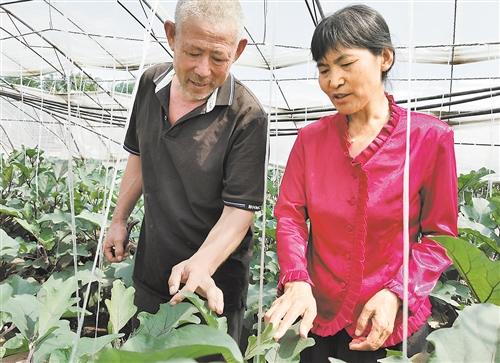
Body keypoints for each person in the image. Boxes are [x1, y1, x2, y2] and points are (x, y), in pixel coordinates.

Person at [264, 4, 458, 363]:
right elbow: (290, 215)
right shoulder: (310, 140)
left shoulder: (430, 139)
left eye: (345, 64)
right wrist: (297, 279)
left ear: (384, 57)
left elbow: (440, 238)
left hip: (388, 321)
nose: (333, 80)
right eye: (324, 69)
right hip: (314, 317)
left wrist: (397, 293)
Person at [103, 0, 268, 346]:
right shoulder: (150, 83)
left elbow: (240, 212)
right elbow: (139, 153)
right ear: (171, 36)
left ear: (237, 51)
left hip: (211, 288)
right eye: (193, 52)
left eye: (218, 58)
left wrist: (202, 264)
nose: (204, 70)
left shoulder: (247, 116)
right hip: (152, 270)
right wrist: (119, 219)